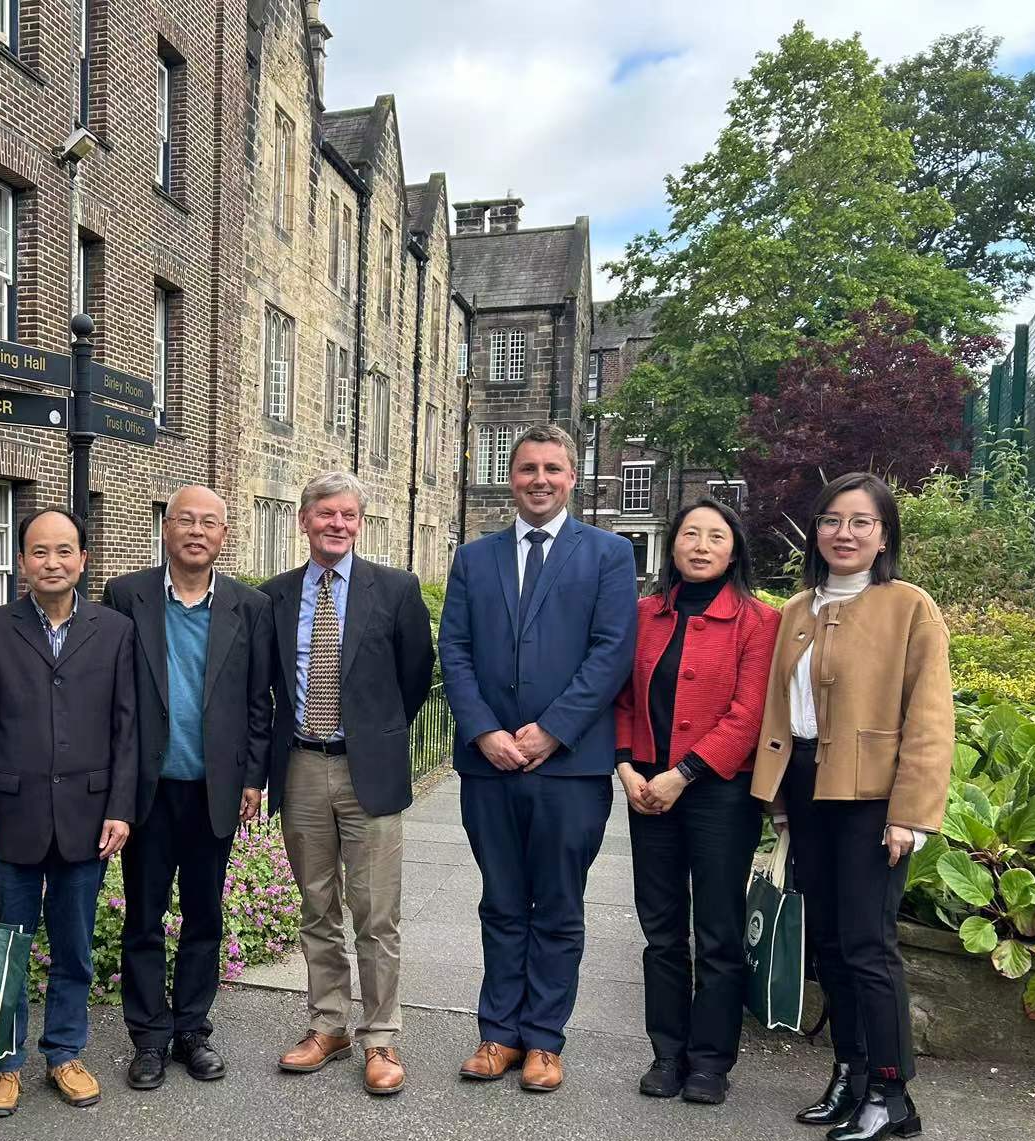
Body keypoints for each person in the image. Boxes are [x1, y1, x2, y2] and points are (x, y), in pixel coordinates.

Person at [752, 473, 952, 1141]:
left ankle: (892, 1090)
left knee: (870, 946)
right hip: (809, 790)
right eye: (833, 520)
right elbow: (782, 712)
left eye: (861, 521)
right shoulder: (797, 610)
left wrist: (911, 813)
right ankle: (851, 1071)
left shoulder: (908, 607)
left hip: (873, 800)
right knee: (830, 944)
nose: (845, 533)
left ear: (884, 534)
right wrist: (780, 800)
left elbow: (930, 717)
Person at [439, 423, 637, 1094]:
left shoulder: (608, 555)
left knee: (556, 905)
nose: (540, 479)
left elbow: (610, 652)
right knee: (500, 901)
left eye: (553, 468)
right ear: (512, 476)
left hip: (570, 768)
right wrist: (485, 731)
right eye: (528, 468)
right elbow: (456, 651)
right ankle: (497, 1033)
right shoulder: (474, 558)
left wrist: (551, 731)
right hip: (489, 765)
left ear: (573, 476)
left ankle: (545, 1040)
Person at [0, 507, 137, 1117]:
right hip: (12, 817)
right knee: (7, 945)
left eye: (64, 551)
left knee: (74, 947)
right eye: (39, 551)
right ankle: (3, 1062)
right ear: (22, 562)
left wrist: (120, 808)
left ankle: (64, 1051)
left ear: (83, 559)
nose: (52, 562)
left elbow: (126, 728)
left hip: (87, 818)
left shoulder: (114, 630)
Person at [263, 472, 435, 1097]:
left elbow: (416, 674)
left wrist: (379, 735)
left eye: (348, 515)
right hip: (303, 766)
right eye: (325, 514)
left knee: (376, 911)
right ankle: (328, 1024)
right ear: (303, 520)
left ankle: (381, 1037)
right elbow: (268, 686)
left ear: (359, 523)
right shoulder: (275, 597)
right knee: (317, 903)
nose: (337, 524)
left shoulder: (394, 588)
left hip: (371, 770)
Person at [102, 485, 274, 1090]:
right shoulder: (127, 596)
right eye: (185, 520)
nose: (197, 531)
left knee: (205, 915)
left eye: (210, 523)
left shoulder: (249, 607)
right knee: (143, 918)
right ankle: (148, 1038)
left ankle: (193, 1030)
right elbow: (110, 696)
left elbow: (260, 701)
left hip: (213, 789)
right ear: (166, 528)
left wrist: (254, 775)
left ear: (225, 536)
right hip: (149, 791)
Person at [614, 498, 779, 1104]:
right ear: (673, 543)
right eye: (690, 534)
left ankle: (710, 1061)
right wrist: (628, 768)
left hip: (717, 794)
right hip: (647, 790)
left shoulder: (760, 621)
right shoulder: (644, 614)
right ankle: (667, 1052)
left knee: (716, 929)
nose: (701, 546)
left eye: (716, 536)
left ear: (734, 548)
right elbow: (625, 699)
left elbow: (748, 714)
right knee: (660, 930)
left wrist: (681, 774)